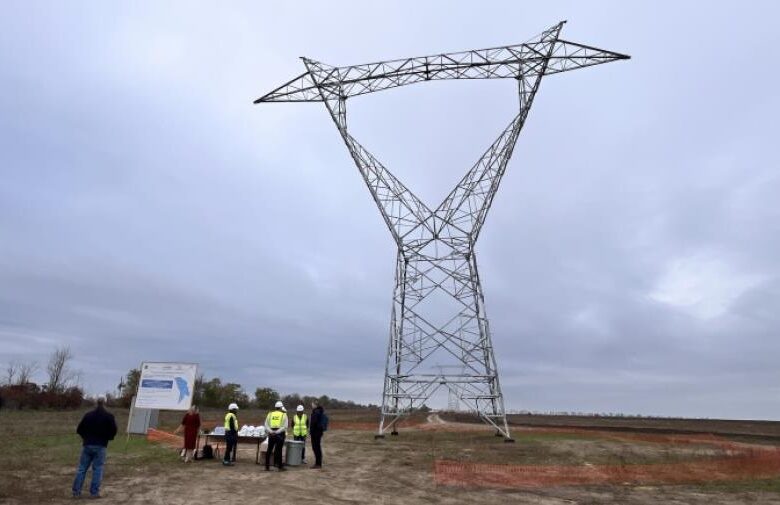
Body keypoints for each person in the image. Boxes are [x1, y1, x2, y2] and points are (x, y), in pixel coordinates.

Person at [72, 396, 118, 499]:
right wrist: (108, 438)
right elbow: (114, 430)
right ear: (105, 403)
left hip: (87, 444)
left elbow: (79, 429)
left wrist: (85, 438)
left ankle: (76, 492)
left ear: (96, 402)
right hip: (101, 445)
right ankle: (94, 493)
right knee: (97, 469)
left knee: (82, 468)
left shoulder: (88, 415)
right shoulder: (109, 416)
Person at [264, 400, 288, 471]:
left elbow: (266, 424)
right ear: (281, 407)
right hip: (280, 434)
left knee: (269, 450)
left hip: (271, 434)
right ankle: (279, 467)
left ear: (275, 407)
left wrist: (271, 431)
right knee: (279, 450)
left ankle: (267, 466)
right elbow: (285, 426)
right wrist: (277, 432)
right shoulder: (284, 415)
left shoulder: (270, 414)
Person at [309, 400, 326, 469]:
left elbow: (313, 423)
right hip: (319, 432)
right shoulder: (319, 411)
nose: (311, 405)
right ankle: (318, 463)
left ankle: (318, 464)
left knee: (316, 448)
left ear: (315, 405)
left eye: (312, 404)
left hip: (316, 433)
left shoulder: (316, 412)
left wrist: (311, 431)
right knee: (317, 447)